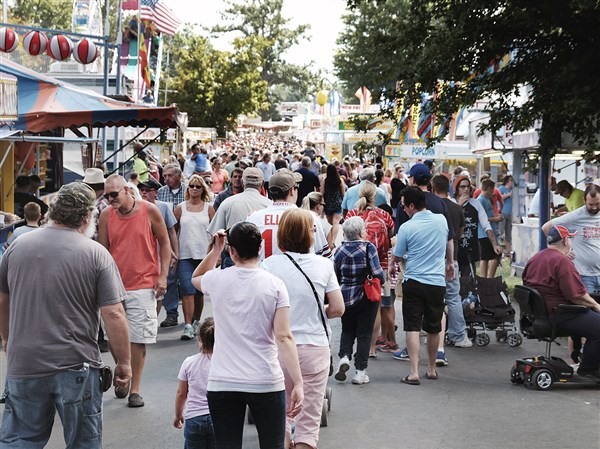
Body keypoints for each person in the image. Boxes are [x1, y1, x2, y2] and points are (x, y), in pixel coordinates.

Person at [0, 182, 131, 448]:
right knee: (83, 442)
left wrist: (7, 338)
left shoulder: (17, 246)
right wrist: (124, 362)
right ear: (86, 217)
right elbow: (114, 313)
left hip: (24, 363)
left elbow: (3, 297)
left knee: (20, 440)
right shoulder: (95, 254)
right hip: (76, 365)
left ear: (53, 211)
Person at [191, 222, 304, 449]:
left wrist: (215, 250)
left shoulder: (217, 279)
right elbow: (284, 337)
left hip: (223, 380)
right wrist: (298, 382)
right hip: (265, 379)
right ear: (260, 247)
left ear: (231, 251)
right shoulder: (275, 285)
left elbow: (197, 276)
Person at [262, 209, 345, 449]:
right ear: (307, 235)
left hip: (277, 348)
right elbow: (338, 308)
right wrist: (318, 310)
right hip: (315, 346)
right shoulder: (324, 265)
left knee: (281, 419)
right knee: (308, 424)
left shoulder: (268, 265)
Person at [98, 174, 171, 408]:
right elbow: (102, 250)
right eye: (106, 195)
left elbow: (165, 242)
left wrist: (163, 275)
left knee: (138, 339)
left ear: (128, 190)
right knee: (112, 337)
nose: (110, 200)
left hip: (143, 283)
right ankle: (123, 372)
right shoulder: (106, 215)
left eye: (113, 194)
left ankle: (135, 389)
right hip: (113, 284)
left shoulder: (149, 211)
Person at [522, 225, 600, 381]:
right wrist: (597, 306)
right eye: (570, 238)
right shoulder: (561, 261)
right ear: (565, 241)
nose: (571, 241)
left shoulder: (536, 257)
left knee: (590, 317)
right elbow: (577, 296)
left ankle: (578, 357)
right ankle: (589, 369)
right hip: (560, 313)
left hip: (541, 313)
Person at [393, 187, 448, 385]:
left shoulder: (407, 227)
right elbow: (447, 243)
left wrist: (397, 259)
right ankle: (431, 368)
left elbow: (398, 255)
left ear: (411, 205)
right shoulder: (441, 220)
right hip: (437, 282)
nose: (403, 209)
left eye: (404, 206)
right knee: (434, 328)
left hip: (414, 281)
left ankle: (414, 372)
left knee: (413, 327)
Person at [333, 216, 384, 385]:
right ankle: (360, 372)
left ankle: (344, 356)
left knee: (347, 329)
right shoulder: (369, 248)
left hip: (345, 297)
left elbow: (335, 276)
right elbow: (377, 273)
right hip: (366, 296)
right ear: (361, 232)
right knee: (364, 333)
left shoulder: (339, 251)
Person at [247, 169, 332, 261]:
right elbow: (324, 255)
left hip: (262, 272)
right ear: (292, 191)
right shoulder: (310, 217)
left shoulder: (253, 217)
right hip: (297, 273)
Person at [430, 175, 470, 368]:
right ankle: (458, 334)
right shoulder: (456, 208)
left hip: (434, 258)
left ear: (433, 187)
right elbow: (460, 232)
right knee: (453, 297)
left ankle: (433, 334)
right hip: (452, 258)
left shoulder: (432, 206)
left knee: (434, 299)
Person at [175, 175, 215, 340]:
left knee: (199, 292)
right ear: (188, 188)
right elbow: (172, 230)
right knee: (187, 290)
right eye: (192, 186)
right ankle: (188, 325)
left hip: (203, 255)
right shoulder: (180, 208)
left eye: (198, 186)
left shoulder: (209, 208)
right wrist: (173, 251)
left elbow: (215, 230)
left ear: (203, 189)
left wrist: (214, 253)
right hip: (185, 254)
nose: (195, 189)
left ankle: (197, 320)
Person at [542, 184, 600, 296]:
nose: (594, 207)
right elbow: (546, 227)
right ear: (584, 200)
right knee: (589, 309)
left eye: (598, 204)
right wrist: (560, 251)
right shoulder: (576, 216)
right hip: (584, 275)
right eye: (590, 204)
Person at [138, 177, 180, 322]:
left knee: (161, 288)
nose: (143, 193)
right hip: (143, 254)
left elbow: (171, 232)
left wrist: (176, 253)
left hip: (160, 253)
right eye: (141, 190)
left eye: (147, 190)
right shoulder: (136, 208)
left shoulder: (163, 207)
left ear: (155, 192)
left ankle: (156, 318)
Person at [174, 317, 216, 449]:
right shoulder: (224, 362)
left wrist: (178, 415)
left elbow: (181, 394)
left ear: (200, 339)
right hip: (218, 417)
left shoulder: (189, 362)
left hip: (194, 418)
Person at [157, 163, 188, 328]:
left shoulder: (188, 191)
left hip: (186, 238)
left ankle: (191, 317)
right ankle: (171, 313)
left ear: (178, 176)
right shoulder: (161, 193)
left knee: (185, 280)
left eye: (169, 175)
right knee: (169, 278)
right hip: (167, 240)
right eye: (164, 176)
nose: (166, 178)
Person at [477, 179, 503, 278]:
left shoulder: (487, 199)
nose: (493, 193)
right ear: (488, 188)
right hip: (484, 233)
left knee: (495, 255)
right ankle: (485, 278)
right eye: (492, 190)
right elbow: (481, 218)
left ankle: (490, 277)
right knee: (485, 257)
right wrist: (495, 218)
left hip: (491, 231)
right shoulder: (481, 200)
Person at [498, 175, 514, 255]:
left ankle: (508, 249)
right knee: (500, 231)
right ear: (508, 181)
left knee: (508, 232)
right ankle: (499, 248)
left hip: (510, 213)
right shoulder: (501, 189)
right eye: (512, 181)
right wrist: (508, 195)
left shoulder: (513, 190)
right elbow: (499, 197)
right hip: (503, 212)